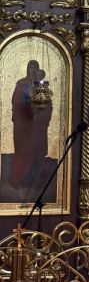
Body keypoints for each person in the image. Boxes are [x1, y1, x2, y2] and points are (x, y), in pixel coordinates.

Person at [9, 61, 52, 190]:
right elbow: (15, 101)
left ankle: (34, 183)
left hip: (37, 125)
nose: (32, 70)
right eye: (30, 67)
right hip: (23, 123)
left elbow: (47, 103)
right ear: (27, 69)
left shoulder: (42, 86)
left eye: (35, 68)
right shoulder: (21, 83)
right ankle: (18, 180)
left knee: (37, 151)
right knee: (22, 150)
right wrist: (28, 102)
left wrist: (42, 114)